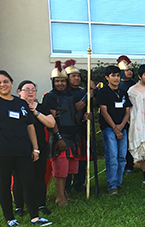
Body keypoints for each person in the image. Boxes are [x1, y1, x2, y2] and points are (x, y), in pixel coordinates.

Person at [0, 70, 52, 227]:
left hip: (22, 150)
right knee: (4, 184)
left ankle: (35, 217)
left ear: (12, 83)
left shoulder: (20, 103)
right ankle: (10, 218)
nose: (3, 85)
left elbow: (30, 127)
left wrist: (35, 149)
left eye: (5, 81)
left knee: (28, 182)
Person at [13, 80, 56, 217]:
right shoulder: (13, 106)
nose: (30, 92)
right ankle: (19, 206)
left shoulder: (42, 107)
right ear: (19, 92)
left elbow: (51, 123)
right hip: (19, 147)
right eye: (26, 89)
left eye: (33, 89)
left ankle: (41, 204)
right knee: (19, 178)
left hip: (40, 147)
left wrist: (35, 112)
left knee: (39, 176)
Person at [43, 61, 82, 207]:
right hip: (59, 137)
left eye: (63, 81)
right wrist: (58, 138)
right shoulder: (50, 97)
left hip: (72, 136)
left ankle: (63, 194)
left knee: (68, 169)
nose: (60, 83)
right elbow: (51, 121)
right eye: (57, 81)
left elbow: (73, 114)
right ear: (53, 82)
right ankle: (60, 198)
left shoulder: (70, 95)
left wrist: (84, 117)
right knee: (59, 169)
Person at [96, 65, 132, 194]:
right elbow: (104, 111)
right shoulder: (103, 92)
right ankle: (112, 185)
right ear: (107, 77)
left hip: (122, 127)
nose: (116, 78)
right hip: (109, 128)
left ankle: (118, 181)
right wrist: (114, 128)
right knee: (112, 156)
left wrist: (121, 126)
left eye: (118, 75)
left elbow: (127, 111)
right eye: (113, 76)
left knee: (122, 156)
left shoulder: (123, 93)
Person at [63, 59, 91, 193]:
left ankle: (79, 183)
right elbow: (76, 106)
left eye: (78, 76)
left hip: (82, 129)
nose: (76, 78)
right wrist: (87, 96)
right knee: (69, 158)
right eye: (73, 76)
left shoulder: (81, 91)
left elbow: (90, 107)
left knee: (82, 158)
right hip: (69, 130)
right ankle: (66, 185)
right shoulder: (65, 92)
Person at [117, 55, 136, 174]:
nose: (129, 72)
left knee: (133, 140)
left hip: (134, 115)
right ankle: (124, 164)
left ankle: (131, 164)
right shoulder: (117, 84)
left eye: (131, 70)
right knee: (123, 141)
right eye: (127, 70)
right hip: (121, 116)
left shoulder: (135, 84)